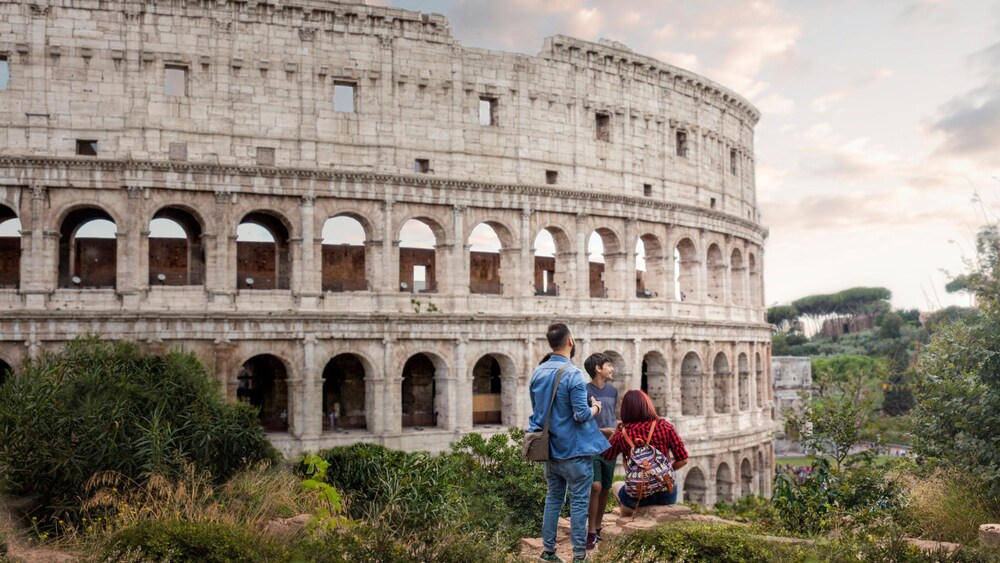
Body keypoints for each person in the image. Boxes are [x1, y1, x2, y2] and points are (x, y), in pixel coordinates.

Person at [528, 323, 610, 563]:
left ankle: (548, 552)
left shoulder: (538, 372)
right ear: (570, 341)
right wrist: (596, 407)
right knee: (579, 503)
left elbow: (539, 412)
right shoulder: (572, 373)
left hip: (550, 450)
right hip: (574, 451)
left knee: (553, 500)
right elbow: (581, 414)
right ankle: (579, 556)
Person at [604, 390, 688, 516]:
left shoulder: (622, 434)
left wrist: (614, 434)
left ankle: (626, 517)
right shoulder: (665, 426)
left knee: (616, 485)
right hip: (667, 494)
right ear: (648, 405)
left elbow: (606, 456)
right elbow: (683, 460)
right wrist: (662, 472)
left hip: (637, 495)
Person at [583, 352, 617, 550]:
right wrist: (604, 430)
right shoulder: (585, 391)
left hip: (610, 446)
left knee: (605, 487)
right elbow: (582, 419)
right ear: (598, 368)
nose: (612, 369)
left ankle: (597, 527)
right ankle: (590, 531)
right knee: (595, 486)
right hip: (592, 444)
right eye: (609, 365)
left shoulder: (613, 391)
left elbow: (612, 416)